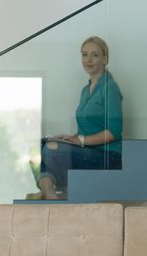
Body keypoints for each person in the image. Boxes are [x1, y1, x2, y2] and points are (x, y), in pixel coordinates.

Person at [37, 36, 123, 199]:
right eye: (84, 54)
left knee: (50, 150)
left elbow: (114, 132)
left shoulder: (110, 88)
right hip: (88, 151)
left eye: (95, 55)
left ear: (105, 59)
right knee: (38, 148)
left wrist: (81, 141)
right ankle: (49, 192)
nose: (88, 60)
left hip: (108, 156)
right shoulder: (85, 90)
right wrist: (71, 138)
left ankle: (57, 192)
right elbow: (88, 129)